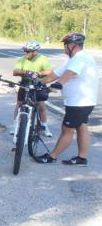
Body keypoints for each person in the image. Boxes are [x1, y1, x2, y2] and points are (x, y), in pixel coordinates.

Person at [35, 33, 99, 166]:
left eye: (65, 45)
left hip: (80, 102)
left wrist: (58, 84)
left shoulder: (81, 57)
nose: (64, 48)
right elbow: (55, 74)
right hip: (79, 102)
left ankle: (52, 157)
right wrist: (39, 83)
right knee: (81, 127)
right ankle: (82, 158)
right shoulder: (72, 59)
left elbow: (70, 73)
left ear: (72, 45)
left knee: (67, 130)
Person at [12, 41, 53, 137]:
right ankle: (15, 125)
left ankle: (44, 126)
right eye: (25, 51)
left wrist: (38, 73)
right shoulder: (22, 59)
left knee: (41, 106)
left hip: (38, 84)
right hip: (25, 83)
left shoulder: (42, 59)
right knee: (19, 104)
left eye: (28, 51)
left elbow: (49, 71)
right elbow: (15, 71)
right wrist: (26, 72)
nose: (25, 53)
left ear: (35, 52)